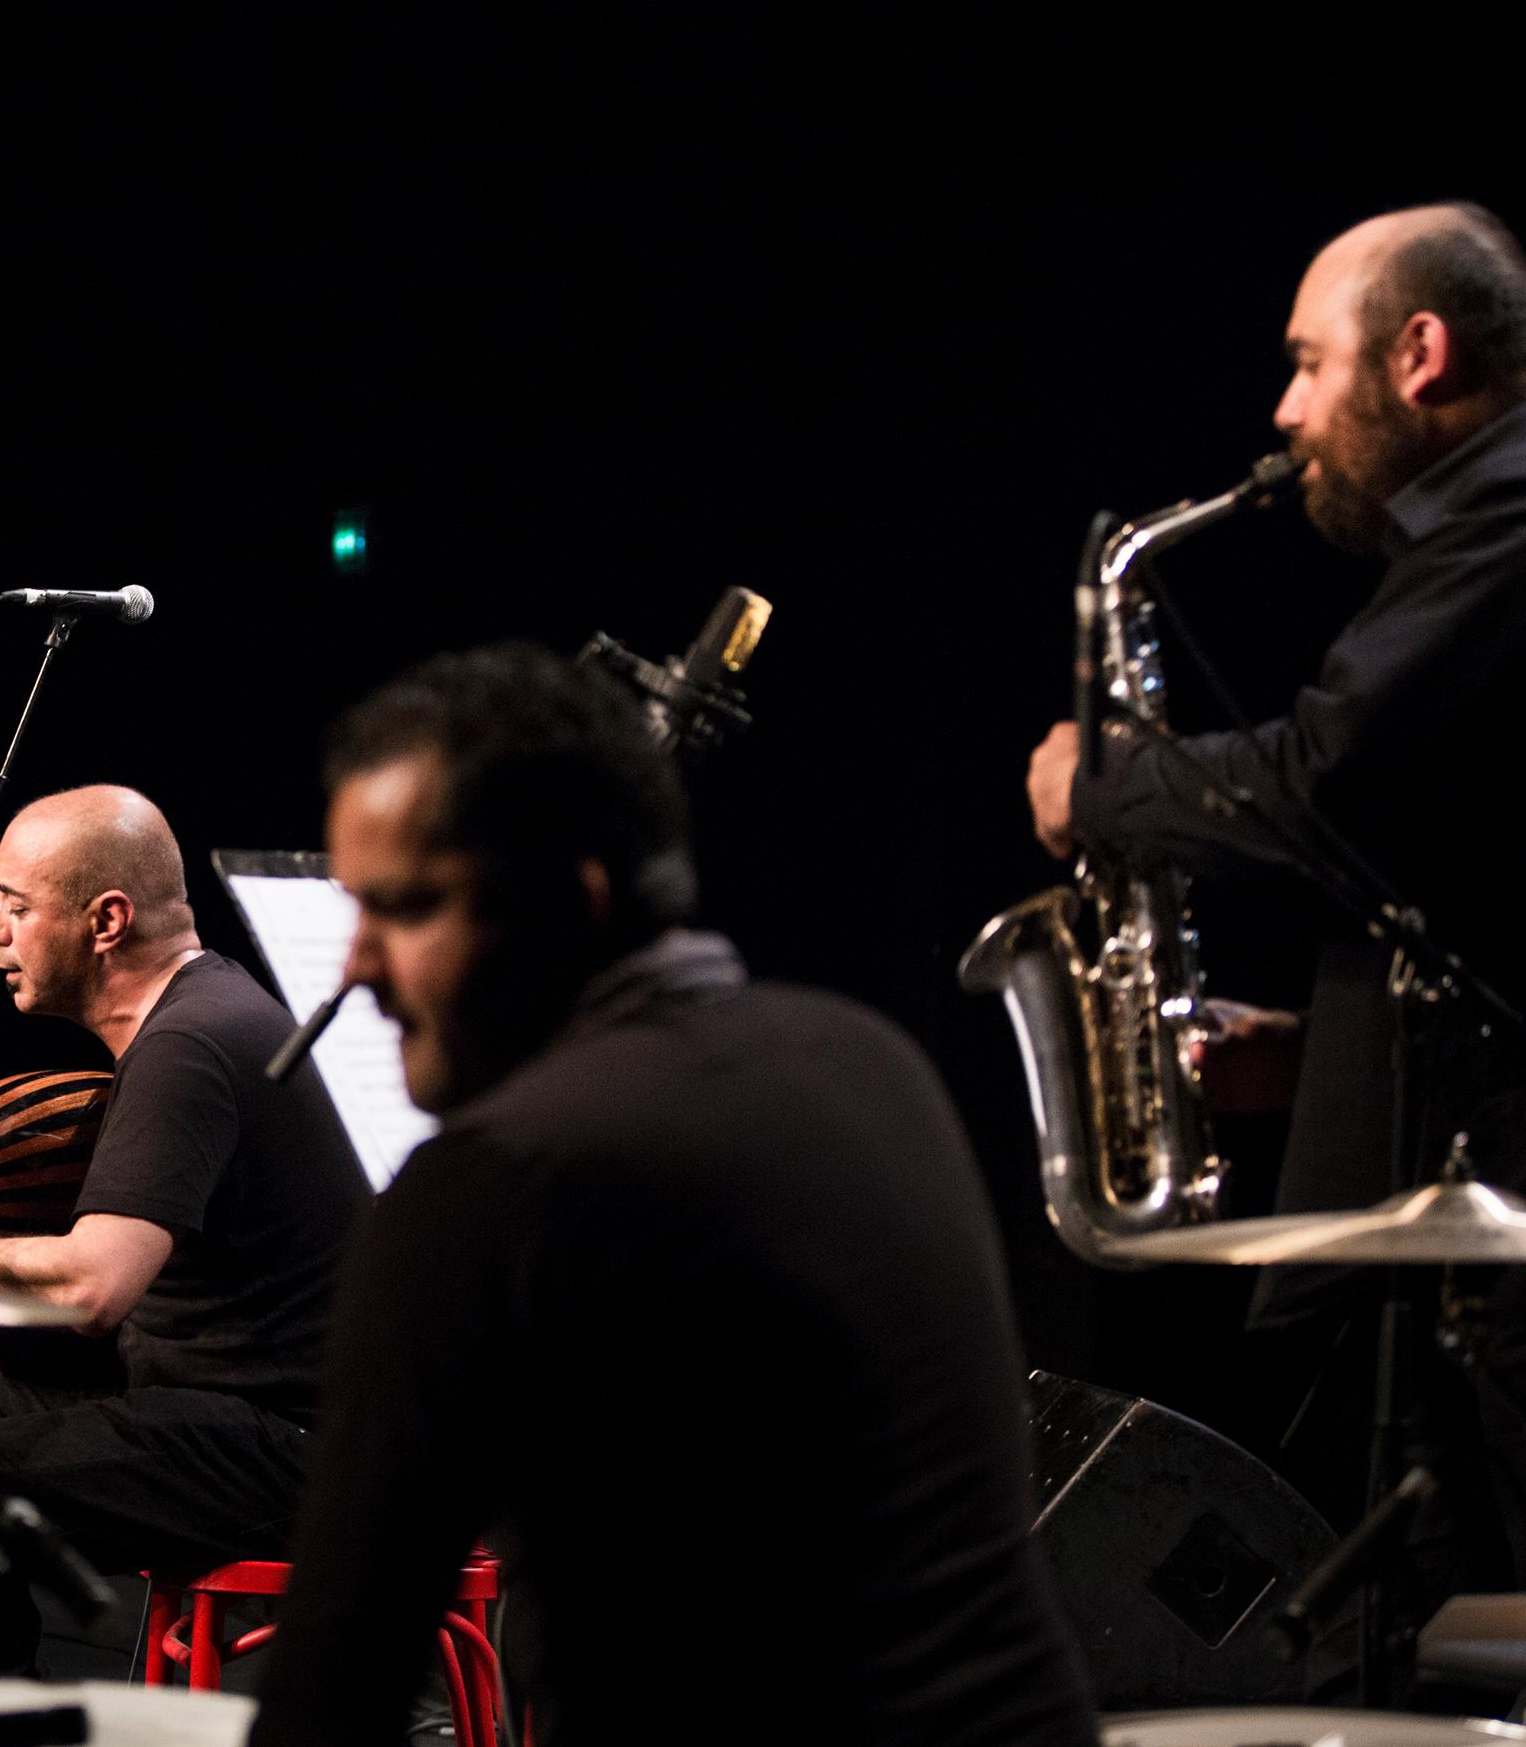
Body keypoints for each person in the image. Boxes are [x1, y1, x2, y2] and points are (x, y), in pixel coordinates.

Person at [250, 645, 1097, 1746]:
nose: (354, 968)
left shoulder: (495, 1179)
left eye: (404, 909)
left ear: (570, 900)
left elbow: (335, 1689)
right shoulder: (868, 1058)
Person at [1023, 202, 1526, 1590]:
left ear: (1418, 353)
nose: (1286, 405)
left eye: (1312, 362)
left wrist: (1103, 791)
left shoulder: (1508, 523)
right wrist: (1319, 1058)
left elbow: (1324, 778)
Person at [0, 784, 370, 1677]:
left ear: (107, 920)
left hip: (292, 1448)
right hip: (220, 1405)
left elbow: (92, 1290)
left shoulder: (188, 1045)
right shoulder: (201, 1011)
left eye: (15, 906)